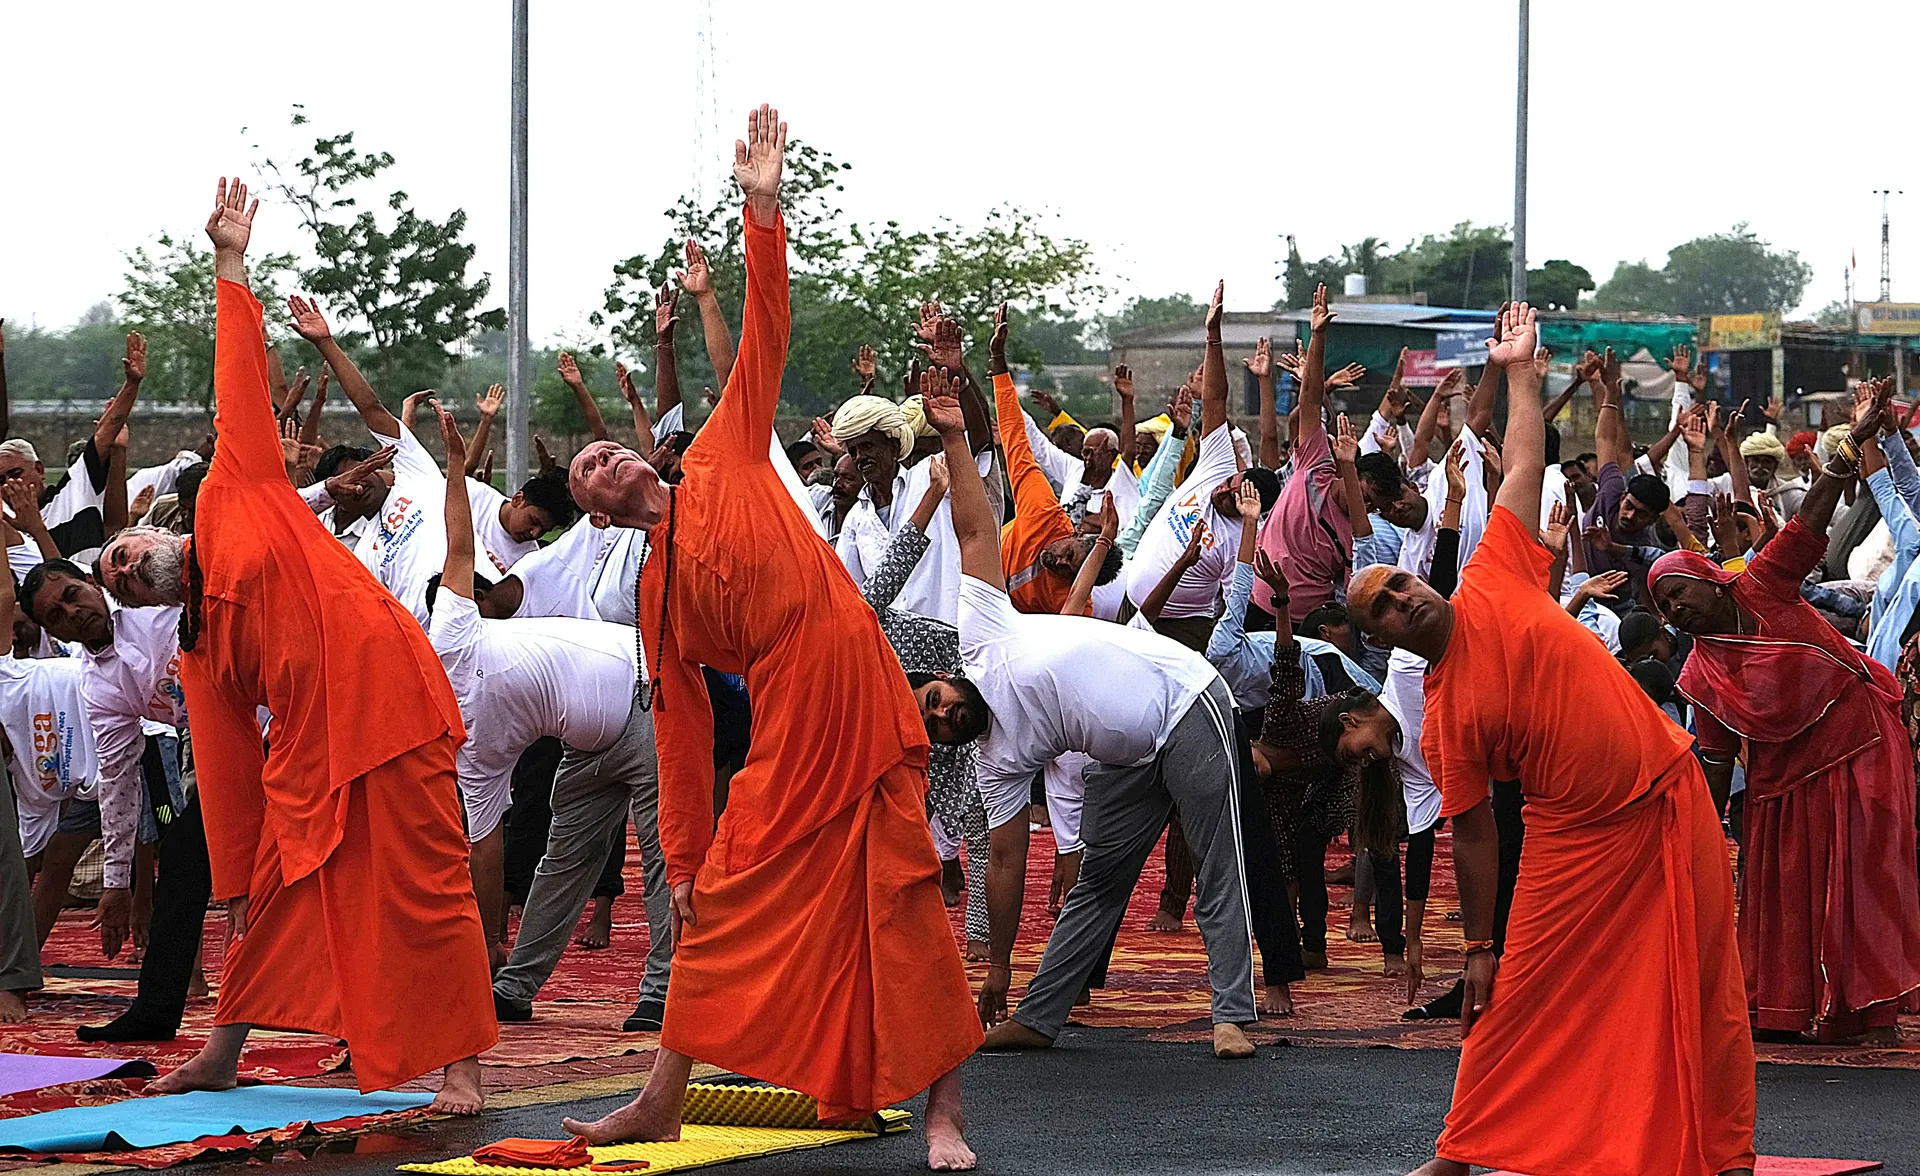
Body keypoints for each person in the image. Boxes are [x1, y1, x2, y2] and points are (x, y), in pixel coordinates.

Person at [555, 108, 981, 1170]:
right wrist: (684, 857)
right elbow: (685, 731)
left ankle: (944, 1115)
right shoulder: (653, 595)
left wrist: (762, 208)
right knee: (715, 902)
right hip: (789, 724)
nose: (604, 461)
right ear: (597, 516)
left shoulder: (729, 448)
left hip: (857, 679)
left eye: (606, 451)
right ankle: (663, 1097)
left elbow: (766, 332)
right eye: (587, 475)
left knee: (902, 899)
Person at [97, 177, 495, 1112]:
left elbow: (240, 382)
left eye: (120, 553)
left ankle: (463, 1068)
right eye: (115, 579)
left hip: (389, 702)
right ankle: (226, 1050)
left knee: (427, 891)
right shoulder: (192, 642)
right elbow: (230, 761)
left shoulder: (238, 491)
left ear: (158, 529)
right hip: (308, 751)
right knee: (268, 896)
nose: (120, 569)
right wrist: (233, 875)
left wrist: (231, 264)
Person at [1349, 304, 1755, 1176]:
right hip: (1572, 844)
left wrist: (1525, 373)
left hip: (1666, 792)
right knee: (1513, 994)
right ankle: (1459, 1153)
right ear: (1379, 638)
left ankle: (1727, 1155)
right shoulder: (1440, 708)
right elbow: (1473, 833)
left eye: (1400, 581)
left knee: (1705, 981)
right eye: (1381, 606)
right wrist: (1479, 946)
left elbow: (1524, 461)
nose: (1402, 598)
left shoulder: (1495, 568)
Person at [926, 300, 1260, 1060]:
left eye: (936, 702)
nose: (945, 718)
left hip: (1185, 700)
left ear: (945, 677)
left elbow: (977, 528)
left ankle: (1231, 1013)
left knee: (1217, 858)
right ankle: (1037, 1016)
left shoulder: (982, 635)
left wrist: (953, 431)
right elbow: (1007, 860)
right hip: (1123, 757)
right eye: (937, 728)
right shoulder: (994, 760)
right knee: (1098, 884)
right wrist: (1001, 963)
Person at [1650, 378, 1920, 1045]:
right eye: (1663, 607)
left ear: (1712, 580)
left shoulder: (1764, 581)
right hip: (1780, 783)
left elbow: (1810, 521)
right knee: (1782, 890)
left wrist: (1850, 447)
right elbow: (1714, 755)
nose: (1674, 610)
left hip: (1858, 739)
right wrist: (1704, 830)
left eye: (1680, 593)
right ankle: (1780, 1005)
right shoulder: (1697, 669)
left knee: (1861, 879)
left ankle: (1864, 1008)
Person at [423, 406, 667, 1024]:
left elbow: (458, 542)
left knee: (667, 859)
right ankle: (513, 985)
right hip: (589, 746)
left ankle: (662, 994)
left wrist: (457, 466)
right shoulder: (467, 750)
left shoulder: (450, 634)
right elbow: (485, 851)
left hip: (648, 700)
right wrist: (483, 943)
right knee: (561, 859)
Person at [1254, 285, 1352, 625]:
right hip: (1260, 604)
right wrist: (1318, 338)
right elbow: (1303, 411)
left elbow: (1347, 592)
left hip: (1309, 623)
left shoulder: (1362, 530)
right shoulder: (1309, 467)